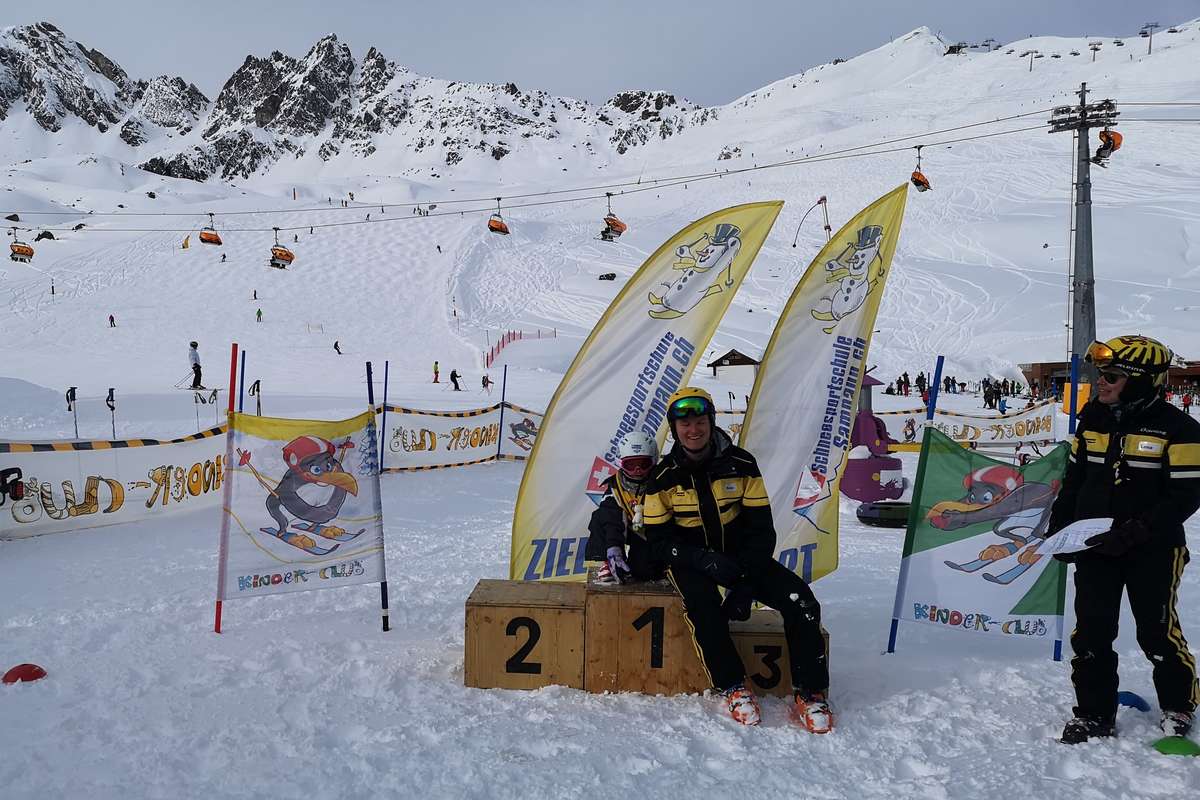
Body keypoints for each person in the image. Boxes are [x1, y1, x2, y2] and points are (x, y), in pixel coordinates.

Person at [643, 387, 831, 730]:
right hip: (691, 560)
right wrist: (702, 560)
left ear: (712, 421)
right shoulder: (661, 478)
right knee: (704, 606)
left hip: (741, 557)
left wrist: (745, 584)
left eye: (700, 421)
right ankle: (733, 685)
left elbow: (762, 531)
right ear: (674, 429)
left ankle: (811, 691)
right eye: (685, 424)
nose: (694, 430)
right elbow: (658, 543)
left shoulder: (742, 464)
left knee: (802, 601)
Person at [1046, 335, 1200, 744]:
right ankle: (1093, 713)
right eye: (1101, 373)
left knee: (1157, 632)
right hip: (1096, 545)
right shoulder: (1093, 418)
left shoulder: (1181, 429)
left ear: (1141, 381)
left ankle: (1178, 705)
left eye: (1112, 375)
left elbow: (1185, 496)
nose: (1101, 381)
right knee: (1091, 632)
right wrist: (1062, 526)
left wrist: (1135, 532)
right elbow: (1076, 478)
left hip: (1154, 549)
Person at [585, 432, 667, 585]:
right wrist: (613, 547)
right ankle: (608, 561)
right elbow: (611, 519)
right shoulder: (614, 486)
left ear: (653, 460)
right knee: (600, 517)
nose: (637, 470)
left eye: (643, 464)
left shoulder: (662, 481)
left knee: (642, 572)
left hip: (654, 531)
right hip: (626, 528)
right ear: (620, 463)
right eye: (630, 465)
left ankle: (664, 564)